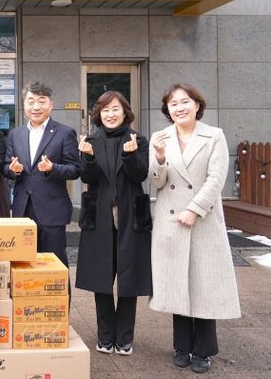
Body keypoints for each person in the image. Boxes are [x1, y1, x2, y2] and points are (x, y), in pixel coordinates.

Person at [149, 83, 240, 374]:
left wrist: (194, 209)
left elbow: (216, 179)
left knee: (204, 285)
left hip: (203, 220)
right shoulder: (161, 137)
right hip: (171, 221)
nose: (179, 108)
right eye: (173, 104)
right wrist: (159, 157)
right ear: (168, 110)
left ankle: (202, 350)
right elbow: (157, 181)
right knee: (177, 284)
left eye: (185, 102)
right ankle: (181, 346)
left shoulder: (213, 136)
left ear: (197, 105)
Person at [75, 91, 152, 356]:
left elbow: (140, 175)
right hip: (99, 216)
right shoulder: (91, 141)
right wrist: (88, 157)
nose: (110, 114)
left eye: (115, 109)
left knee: (130, 277)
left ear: (125, 112)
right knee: (101, 276)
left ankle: (125, 337)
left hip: (131, 215)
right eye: (105, 110)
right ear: (99, 114)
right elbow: (87, 177)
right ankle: (105, 336)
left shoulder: (138, 140)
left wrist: (131, 156)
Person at [4, 82, 80, 271]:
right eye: (31, 101)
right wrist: (14, 170)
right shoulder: (15, 134)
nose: (36, 107)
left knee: (55, 265)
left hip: (52, 210)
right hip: (23, 209)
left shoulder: (65, 133)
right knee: (23, 265)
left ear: (50, 105)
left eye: (41, 101)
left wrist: (52, 168)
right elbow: (6, 167)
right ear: (24, 105)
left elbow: (75, 169)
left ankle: (59, 293)